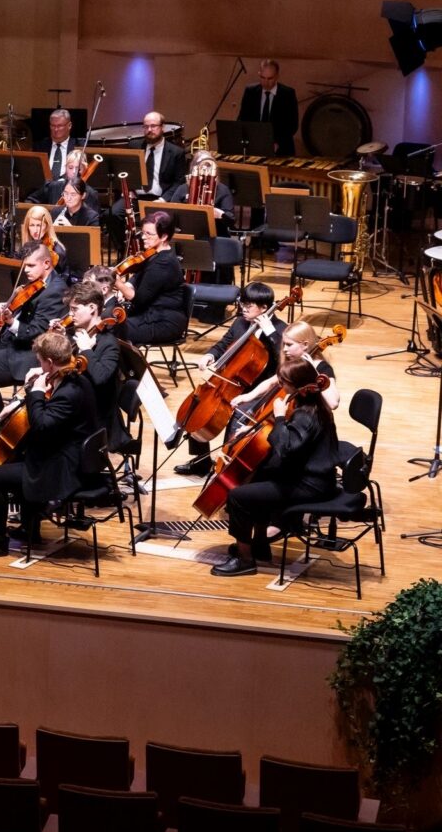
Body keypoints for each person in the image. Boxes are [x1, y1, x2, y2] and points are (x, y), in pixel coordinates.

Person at [0, 329, 96, 559]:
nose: (39, 365)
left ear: (50, 362)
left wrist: (36, 393)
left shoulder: (68, 392)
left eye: (41, 361)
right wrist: (25, 398)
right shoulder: (75, 379)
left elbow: (42, 425)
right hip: (62, 453)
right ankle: (29, 530)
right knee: (21, 455)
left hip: (62, 469)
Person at [210, 359, 338, 577]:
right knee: (262, 475)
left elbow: (286, 448)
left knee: (238, 496)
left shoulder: (307, 414)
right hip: (309, 477)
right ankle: (259, 545)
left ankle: (245, 560)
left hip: (311, 485)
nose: (280, 386)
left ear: (299, 385)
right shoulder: (312, 406)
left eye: (284, 382)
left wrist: (279, 417)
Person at [173, 282, 281, 477]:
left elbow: (286, 363)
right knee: (197, 407)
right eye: (242, 304)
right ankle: (201, 462)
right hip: (231, 382)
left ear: (264, 308)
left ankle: (225, 468)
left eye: (249, 306)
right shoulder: (240, 323)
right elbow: (223, 343)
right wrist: (210, 355)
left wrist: (270, 333)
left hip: (260, 389)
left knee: (236, 418)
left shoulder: (280, 330)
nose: (243, 309)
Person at [0, 241, 66, 424]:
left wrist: (11, 322)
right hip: (10, 341)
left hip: (27, 352)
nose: (26, 270)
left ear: (47, 264)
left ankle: (1, 425)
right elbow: (15, 308)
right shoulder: (33, 281)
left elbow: (36, 333)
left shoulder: (55, 290)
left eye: (31, 266)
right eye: (25, 266)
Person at [64, 280, 125, 446]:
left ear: (92, 308)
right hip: (73, 408)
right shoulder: (73, 335)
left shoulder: (109, 343)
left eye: (74, 309)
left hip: (93, 419)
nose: (70, 315)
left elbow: (101, 378)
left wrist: (86, 351)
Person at [117, 210, 186, 347]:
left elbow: (139, 299)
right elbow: (139, 276)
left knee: (114, 329)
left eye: (149, 234)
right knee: (111, 322)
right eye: (143, 232)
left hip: (164, 322)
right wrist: (129, 285)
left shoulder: (164, 263)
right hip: (151, 314)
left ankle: (129, 367)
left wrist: (118, 284)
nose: (143, 237)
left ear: (164, 236)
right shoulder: (154, 254)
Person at [236, 58, 299, 156]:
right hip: (254, 148)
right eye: (262, 77)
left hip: (281, 151)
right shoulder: (250, 91)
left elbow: (292, 125)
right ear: (259, 74)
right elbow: (243, 119)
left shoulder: (288, 94)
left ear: (277, 76)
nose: (266, 82)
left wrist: (277, 143)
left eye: (270, 78)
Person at [138, 111, 188, 203]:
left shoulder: (176, 152)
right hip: (135, 197)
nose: (149, 130)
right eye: (146, 126)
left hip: (161, 198)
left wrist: (163, 200)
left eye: (153, 126)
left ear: (162, 127)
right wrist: (129, 190)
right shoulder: (135, 146)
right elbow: (127, 173)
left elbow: (179, 182)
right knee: (113, 213)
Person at [40, 110, 77, 183]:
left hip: (69, 190)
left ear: (69, 125)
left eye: (59, 126)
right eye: (53, 126)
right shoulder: (39, 147)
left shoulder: (78, 146)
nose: (56, 129)